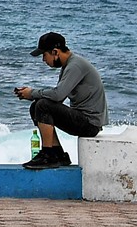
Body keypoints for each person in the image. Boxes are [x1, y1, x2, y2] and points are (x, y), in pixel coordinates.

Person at [14, 31, 106, 168]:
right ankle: (57, 153)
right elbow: (57, 100)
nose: (43, 60)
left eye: (44, 55)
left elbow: (58, 95)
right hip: (84, 120)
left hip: (90, 124)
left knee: (42, 105)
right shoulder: (68, 66)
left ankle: (48, 154)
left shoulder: (75, 66)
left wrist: (32, 93)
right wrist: (31, 96)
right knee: (37, 106)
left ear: (55, 52)